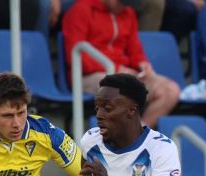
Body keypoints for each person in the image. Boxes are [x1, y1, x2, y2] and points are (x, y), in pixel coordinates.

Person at [63, 0, 181, 128]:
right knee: (123, 90)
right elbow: (76, 56)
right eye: (121, 2)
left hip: (123, 74)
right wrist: (115, 68)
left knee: (170, 90)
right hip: (88, 75)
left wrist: (142, 63)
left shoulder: (128, 12)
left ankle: (137, 135)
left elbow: (134, 48)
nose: (124, 6)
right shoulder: (81, 10)